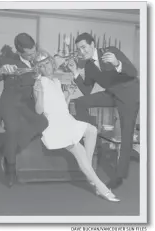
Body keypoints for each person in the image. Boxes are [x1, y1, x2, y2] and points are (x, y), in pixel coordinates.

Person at [32, 50, 119, 202]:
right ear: (38, 69)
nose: (45, 68)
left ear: (51, 63)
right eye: (41, 66)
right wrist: (38, 93)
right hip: (55, 126)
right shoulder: (39, 83)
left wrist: (69, 95)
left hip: (66, 119)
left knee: (92, 130)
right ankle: (101, 188)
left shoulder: (57, 81)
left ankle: (88, 170)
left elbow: (61, 106)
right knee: (79, 151)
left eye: (47, 63)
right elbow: (39, 110)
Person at [67, 32, 139, 190]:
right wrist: (75, 73)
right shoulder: (88, 65)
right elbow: (86, 90)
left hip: (129, 95)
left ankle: (119, 176)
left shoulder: (110, 51)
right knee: (81, 102)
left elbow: (133, 72)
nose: (82, 51)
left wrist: (117, 62)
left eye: (84, 47)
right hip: (112, 94)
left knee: (126, 135)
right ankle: (87, 134)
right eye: (79, 49)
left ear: (93, 44)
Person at [0, 33, 49, 187]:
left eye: (34, 52)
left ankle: (6, 150)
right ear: (19, 52)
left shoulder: (38, 61)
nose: (32, 56)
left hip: (27, 105)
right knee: (13, 130)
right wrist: (0, 71)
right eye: (29, 54)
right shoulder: (8, 62)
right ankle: (10, 169)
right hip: (9, 104)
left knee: (43, 122)